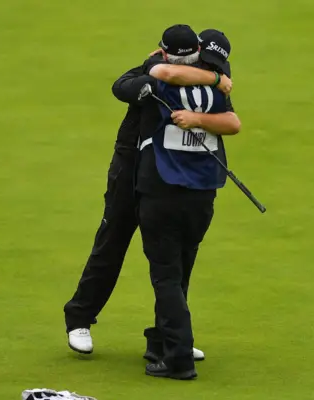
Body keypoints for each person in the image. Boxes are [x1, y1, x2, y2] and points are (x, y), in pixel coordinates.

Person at [63, 26, 235, 360]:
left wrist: (209, 83)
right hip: (132, 164)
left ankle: (171, 336)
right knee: (113, 240)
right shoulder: (153, 69)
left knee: (178, 257)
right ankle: (79, 318)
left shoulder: (208, 71)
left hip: (170, 175)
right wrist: (209, 81)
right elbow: (128, 84)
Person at [112, 24, 239, 379]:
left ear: (165, 51)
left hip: (161, 189)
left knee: (165, 276)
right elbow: (233, 122)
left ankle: (178, 357)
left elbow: (152, 74)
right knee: (180, 271)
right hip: (203, 193)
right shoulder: (216, 85)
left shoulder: (160, 81)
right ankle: (164, 342)